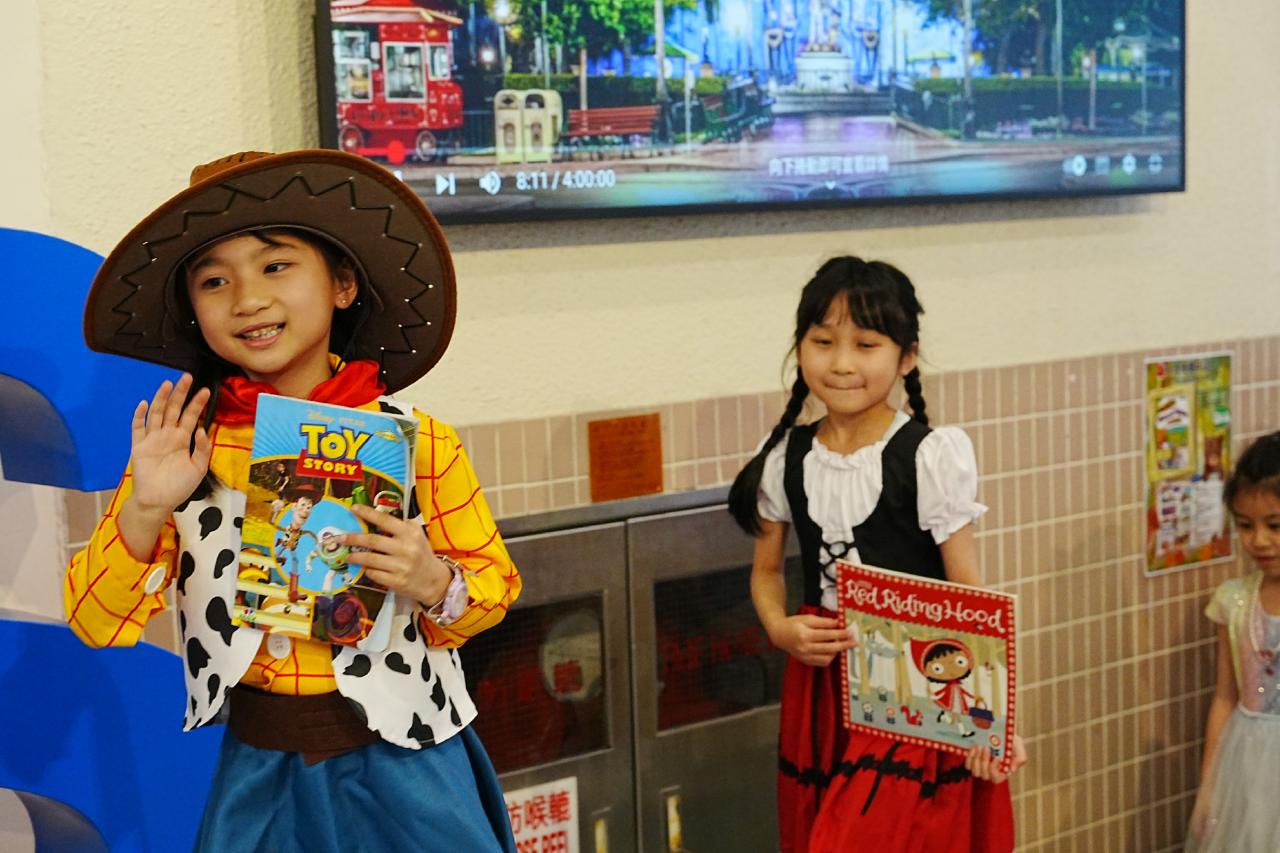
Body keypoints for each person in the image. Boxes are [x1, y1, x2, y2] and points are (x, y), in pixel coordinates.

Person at [64, 149, 520, 852]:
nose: (246, 298)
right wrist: (146, 509)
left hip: (410, 768)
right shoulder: (184, 450)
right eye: (214, 280)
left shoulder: (419, 443)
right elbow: (94, 622)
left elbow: (493, 590)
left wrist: (433, 580)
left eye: (276, 265)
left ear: (342, 284)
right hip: (259, 772)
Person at [726, 256, 1025, 853]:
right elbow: (766, 573)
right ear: (800, 347)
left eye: (865, 345)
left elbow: (968, 596)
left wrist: (993, 720)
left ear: (906, 357)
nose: (841, 363)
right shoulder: (785, 456)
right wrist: (780, 628)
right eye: (823, 342)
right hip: (820, 684)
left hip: (918, 680)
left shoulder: (930, 455)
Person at [1187, 431, 1280, 852]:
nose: (1258, 540)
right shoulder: (1234, 601)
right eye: (1245, 525)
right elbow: (1225, 697)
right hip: (1246, 766)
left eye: (1275, 526)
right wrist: (1210, 786)